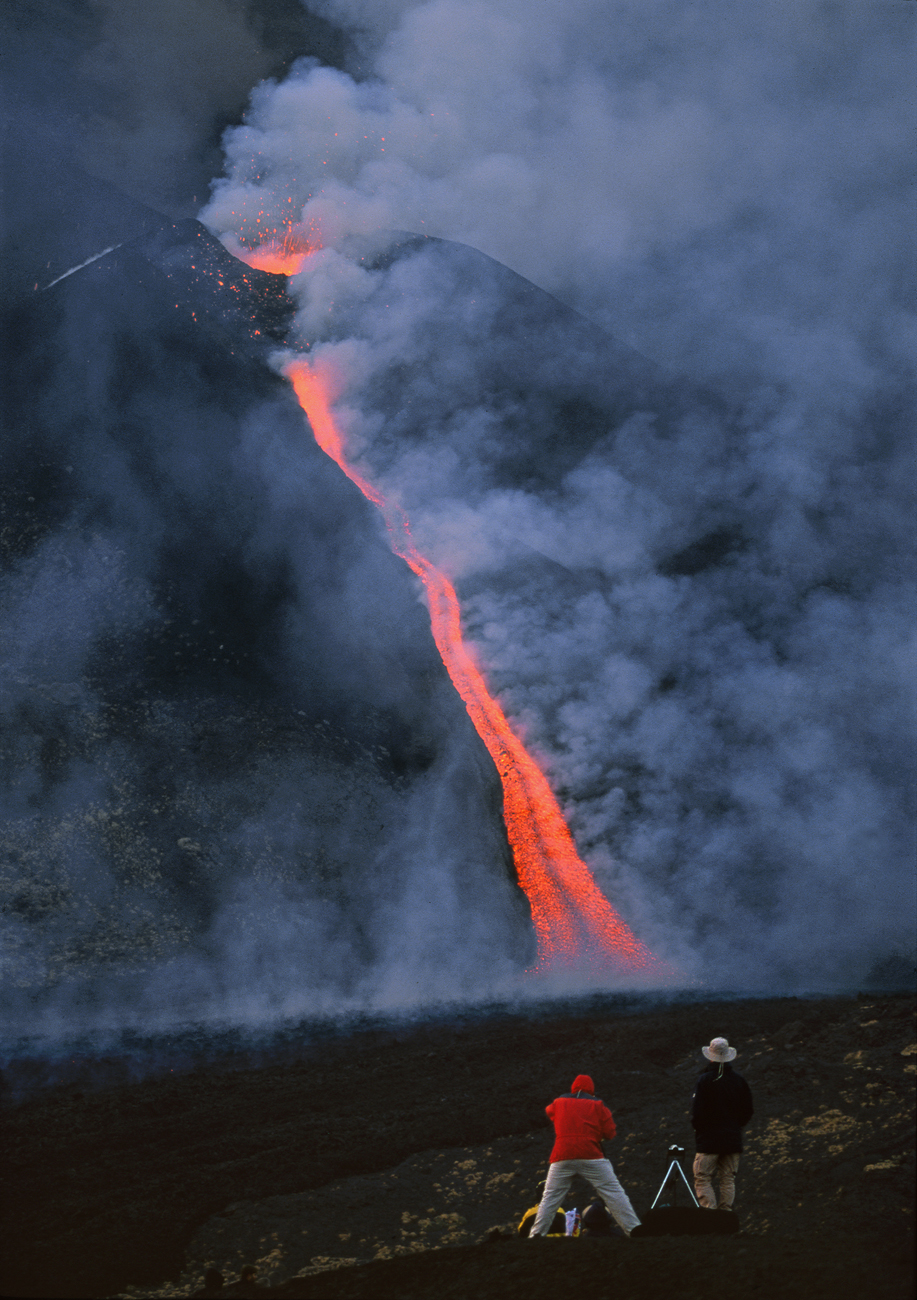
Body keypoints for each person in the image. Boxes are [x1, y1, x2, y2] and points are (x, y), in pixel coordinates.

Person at [528, 1073, 641, 1237]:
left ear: (573, 1088)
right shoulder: (598, 1104)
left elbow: (549, 1111)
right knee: (614, 1193)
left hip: (562, 1156)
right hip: (591, 1155)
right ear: (592, 1091)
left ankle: (536, 1235)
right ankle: (634, 1231)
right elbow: (610, 1133)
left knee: (550, 1198)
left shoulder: (559, 1102)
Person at [691, 1036, 754, 1211]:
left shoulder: (704, 1080)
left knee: (702, 1177)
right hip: (732, 1137)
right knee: (728, 1178)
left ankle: (710, 1214)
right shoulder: (739, 1080)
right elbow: (748, 1110)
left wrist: (701, 1129)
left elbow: (697, 1112)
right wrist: (736, 1126)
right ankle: (726, 1214)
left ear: (710, 1055)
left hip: (709, 1138)